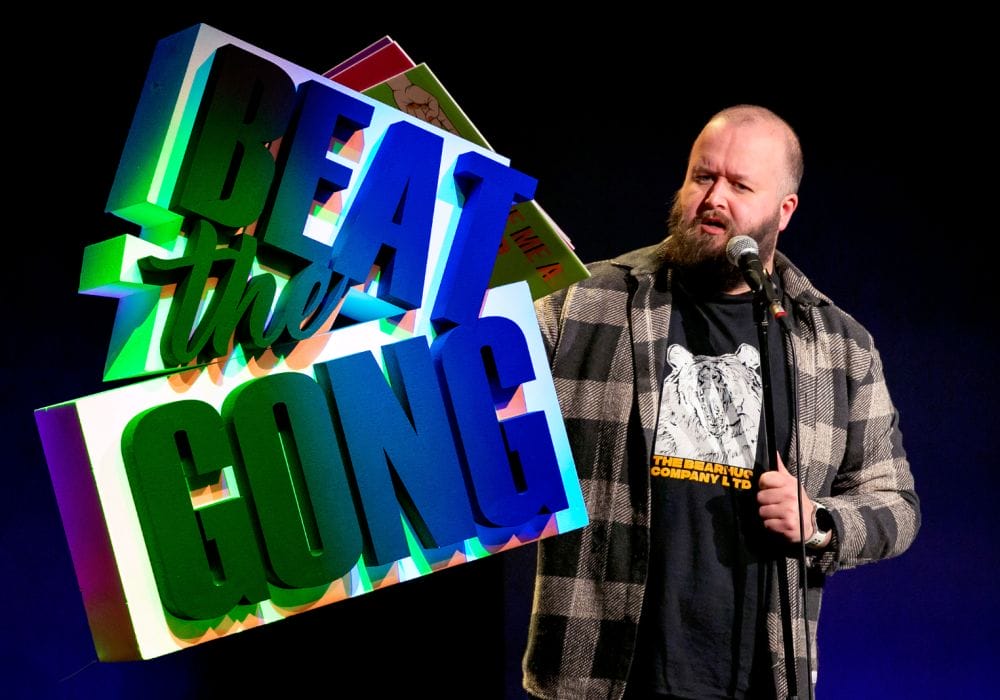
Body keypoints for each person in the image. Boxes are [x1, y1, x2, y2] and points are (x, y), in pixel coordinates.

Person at [523, 105, 920, 699]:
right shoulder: (584, 303)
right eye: (702, 176)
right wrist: (509, 274)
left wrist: (819, 522)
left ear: (784, 211)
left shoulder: (839, 346)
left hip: (762, 679)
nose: (714, 197)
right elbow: (472, 393)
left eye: (739, 185)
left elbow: (898, 505)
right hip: (600, 672)